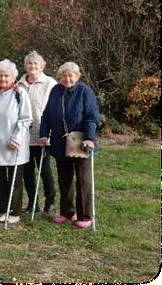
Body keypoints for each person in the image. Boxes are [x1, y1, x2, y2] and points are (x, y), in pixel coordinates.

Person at [40, 62, 100, 229]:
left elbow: (92, 117)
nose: (67, 79)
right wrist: (44, 134)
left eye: (70, 75)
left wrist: (89, 138)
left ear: (77, 76)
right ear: (60, 77)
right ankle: (67, 212)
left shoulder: (84, 91)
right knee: (64, 178)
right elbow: (47, 115)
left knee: (83, 180)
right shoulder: (55, 91)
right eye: (64, 75)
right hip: (60, 142)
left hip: (82, 143)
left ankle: (85, 215)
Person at [0, 59, 33, 224]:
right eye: (0, 76)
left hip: (13, 143)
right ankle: (2, 209)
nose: (3, 79)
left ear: (13, 77)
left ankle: (14, 212)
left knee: (14, 178)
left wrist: (16, 138)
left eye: (6, 76)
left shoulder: (20, 93)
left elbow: (26, 118)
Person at [18, 51, 57, 216]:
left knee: (45, 170)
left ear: (42, 66)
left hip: (42, 135)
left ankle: (50, 202)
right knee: (27, 172)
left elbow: (54, 109)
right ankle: (33, 203)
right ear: (25, 66)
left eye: (36, 64)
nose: (32, 66)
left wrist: (50, 131)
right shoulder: (19, 84)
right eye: (29, 63)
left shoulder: (50, 83)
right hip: (24, 136)